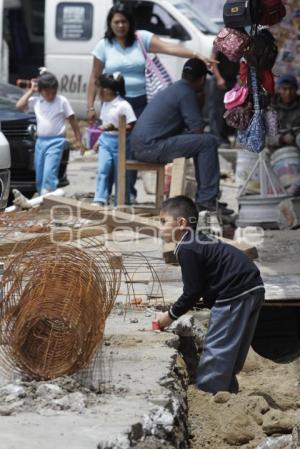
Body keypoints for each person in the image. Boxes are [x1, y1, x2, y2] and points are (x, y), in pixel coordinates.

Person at [86, 4, 215, 200]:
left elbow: (169, 48)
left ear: (130, 23)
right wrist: (90, 107)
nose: (120, 26)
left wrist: (195, 54)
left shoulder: (141, 39)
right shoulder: (104, 45)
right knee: (112, 152)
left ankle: (128, 195)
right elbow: (94, 77)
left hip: (139, 104)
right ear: (110, 24)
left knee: (133, 150)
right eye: (116, 22)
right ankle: (112, 196)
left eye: (124, 21)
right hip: (114, 104)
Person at [157, 195, 265, 394]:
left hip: (234, 292)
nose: (160, 227)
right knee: (233, 347)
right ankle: (227, 391)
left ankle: (208, 392)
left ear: (181, 223)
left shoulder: (186, 249)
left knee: (217, 346)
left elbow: (191, 291)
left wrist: (169, 316)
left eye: (163, 221)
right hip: (253, 286)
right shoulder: (198, 241)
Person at [131, 58, 233, 215]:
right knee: (208, 142)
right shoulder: (186, 93)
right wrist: (201, 101)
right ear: (202, 79)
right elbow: (198, 130)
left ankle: (206, 198)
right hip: (151, 147)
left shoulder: (176, 88)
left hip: (142, 146)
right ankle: (207, 200)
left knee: (203, 142)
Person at [16, 71, 85, 195]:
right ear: (40, 91)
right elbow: (19, 106)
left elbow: (73, 121)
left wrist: (79, 140)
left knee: (49, 172)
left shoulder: (61, 101)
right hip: (40, 142)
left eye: (54, 92)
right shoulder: (37, 101)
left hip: (56, 141)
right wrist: (31, 90)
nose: (51, 95)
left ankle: (47, 198)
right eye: (47, 92)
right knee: (40, 172)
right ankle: (42, 197)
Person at [93, 73, 136, 206]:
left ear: (107, 90)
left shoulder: (123, 105)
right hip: (106, 141)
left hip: (121, 143)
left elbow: (132, 124)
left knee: (121, 173)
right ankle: (100, 198)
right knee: (103, 169)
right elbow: (104, 123)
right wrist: (98, 141)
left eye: (99, 88)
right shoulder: (105, 104)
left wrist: (116, 128)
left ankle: (121, 201)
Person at [269, 74, 300, 196]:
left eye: (291, 89)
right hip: (276, 150)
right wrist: (281, 139)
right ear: (279, 90)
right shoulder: (271, 108)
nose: (288, 93)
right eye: (284, 89)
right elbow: (266, 135)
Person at [208, 50, 239, 147]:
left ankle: (226, 138)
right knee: (217, 111)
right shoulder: (221, 40)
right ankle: (218, 139)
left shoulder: (239, 41)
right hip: (221, 79)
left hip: (233, 80)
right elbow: (212, 61)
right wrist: (219, 78)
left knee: (230, 111)